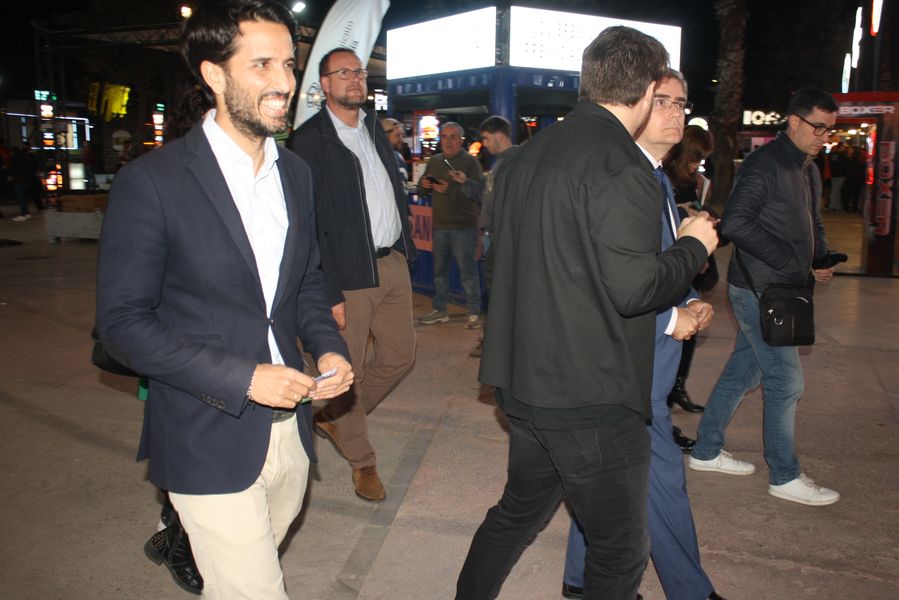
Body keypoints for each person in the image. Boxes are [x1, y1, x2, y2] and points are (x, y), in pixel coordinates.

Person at [95, 3, 355, 598]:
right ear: (214, 74)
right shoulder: (153, 181)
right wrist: (244, 378)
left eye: (288, 64)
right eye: (262, 64)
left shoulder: (296, 174)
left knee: (237, 581)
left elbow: (305, 282)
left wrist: (329, 349)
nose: (284, 81)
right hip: (202, 429)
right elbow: (122, 324)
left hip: (291, 427)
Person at [455, 26, 718, 600]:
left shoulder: (524, 156)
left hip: (524, 381)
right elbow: (636, 290)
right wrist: (693, 247)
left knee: (516, 514)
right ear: (646, 90)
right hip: (589, 397)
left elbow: (499, 268)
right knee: (620, 551)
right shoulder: (623, 167)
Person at [561, 69, 725, 600]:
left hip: (640, 366)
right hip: (629, 366)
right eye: (663, 102)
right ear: (635, 105)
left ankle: (581, 579)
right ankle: (691, 591)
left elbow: (654, 268)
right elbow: (597, 283)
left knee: (607, 480)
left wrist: (689, 298)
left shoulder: (655, 178)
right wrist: (671, 319)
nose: (676, 113)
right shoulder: (622, 177)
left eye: (682, 103)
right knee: (661, 484)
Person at [690, 88, 840, 507]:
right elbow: (736, 223)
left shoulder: (806, 167)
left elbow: (813, 220)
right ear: (793, 121)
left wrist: (820, 258)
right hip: (759, 289)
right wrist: (791, 259)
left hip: (782, 287)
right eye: (818, 127)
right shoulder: (765, 163)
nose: (824, 136)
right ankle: (784, 475)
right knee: (786, 381)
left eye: (829, 130)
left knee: (745, 370)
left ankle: (706, 450)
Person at [288, 48, 417, 502]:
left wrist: (404, 245)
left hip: (391, 263)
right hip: (347, 273)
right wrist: (328, 290)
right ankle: (362, 461)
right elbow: (308, 224)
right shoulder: (308, 142)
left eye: (359, 72)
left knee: (400, 357)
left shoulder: (373, 129)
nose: (355, 79)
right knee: (348, 369)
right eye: (343, 73)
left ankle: (330, 416)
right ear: (324, 84)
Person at [664, 125, 716, 426]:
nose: (698, 163)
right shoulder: (663, 177)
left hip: (690, 261)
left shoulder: (694, 180)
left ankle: (677, 387)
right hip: (673, 262)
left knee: (689, 330)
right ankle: (668, 394)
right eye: (696, 157)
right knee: (672, 331)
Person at [417, 122, 484, 328]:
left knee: (468, 274)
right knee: (439, 274)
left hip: (463, 227)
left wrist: (452, 189)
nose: (448, 141)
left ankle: (474, 313)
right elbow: (422, 190)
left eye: (452, 137)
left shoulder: (470, 162)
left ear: (461, 140)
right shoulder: (435, 161)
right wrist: (424, 185)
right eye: (444, 136)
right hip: (440, 227)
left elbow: (480, 193)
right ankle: (440, 310)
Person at [469, 115, 519, 358]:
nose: (485, 144)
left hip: (502, 238)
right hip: (493, 235)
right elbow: (486, 197)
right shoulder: (499, 163)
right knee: (494, 290)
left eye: (487, 139)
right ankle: (491, 336)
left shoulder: (514, 162)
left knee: (499, 291)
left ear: (499, 135)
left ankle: (495, 340)